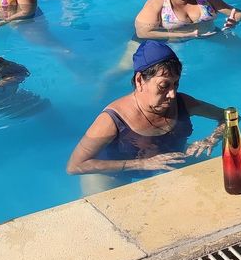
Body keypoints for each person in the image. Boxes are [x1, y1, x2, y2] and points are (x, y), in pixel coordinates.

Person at [66, 41, 227, 191]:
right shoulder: (113, 119)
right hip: (112, 174)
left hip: (167, 160)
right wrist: (142, 163)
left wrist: (211, 139)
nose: (172, 94)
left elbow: (228, 116)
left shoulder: (183, 103)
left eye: (175, 84)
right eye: (164, 85)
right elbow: (75, 166)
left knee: (221, 181)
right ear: (139, 81)